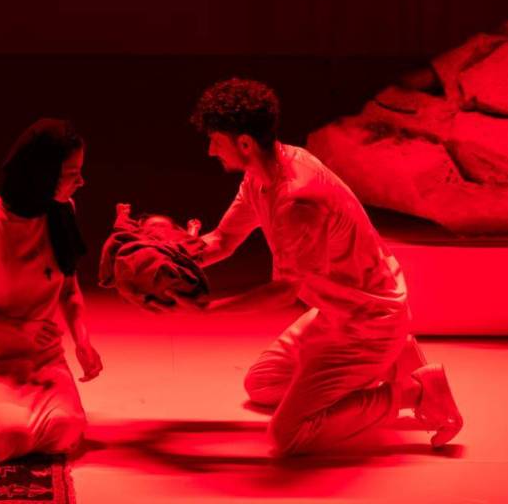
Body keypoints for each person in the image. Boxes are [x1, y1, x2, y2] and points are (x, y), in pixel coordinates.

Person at [171, 77, 461, 456]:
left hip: (367, 321)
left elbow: (284, 292)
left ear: (244, 143)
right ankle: (397, 358)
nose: (211, 150)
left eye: (216, 141)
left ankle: (416, 391)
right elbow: (223, 241)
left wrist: (209, 308)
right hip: (336, 311)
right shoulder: (262, 174)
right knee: (262, 385)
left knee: (287, 436)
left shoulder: (298, 200)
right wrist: (173, 259)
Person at [0, 119, 103, 462]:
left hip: (42, 357)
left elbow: (69, 290)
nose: (81, 182)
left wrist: (82, 341)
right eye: (72, 174)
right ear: (43, 174)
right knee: (10, 435)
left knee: (65, 431)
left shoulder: (62, 211)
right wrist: (19, 328)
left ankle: (5, 409)